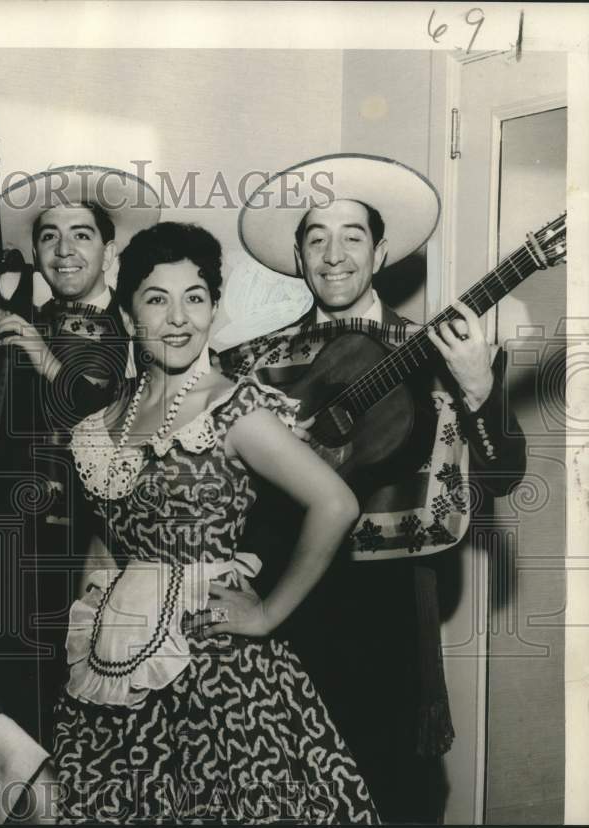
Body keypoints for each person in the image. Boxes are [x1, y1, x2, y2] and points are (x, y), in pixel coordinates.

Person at [222, 154, 527, 823]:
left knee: (397, 796)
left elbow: (505, 473)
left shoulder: (445, 351)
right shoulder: (247, 365)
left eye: (352, 236)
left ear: (382, 249)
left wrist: (480, 391)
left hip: (389, 620)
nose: (334, 256)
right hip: (281, 612)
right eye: (316, 238)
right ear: (298, 256)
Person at [54, 221, 379, 823]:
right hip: (119, 664)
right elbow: (105, 536)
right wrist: (94, 618)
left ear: (212, 309)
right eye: (157, 299)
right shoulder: (103, 425)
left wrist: (267, 613)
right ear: (129, 318)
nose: (179, 318)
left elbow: (336, 504)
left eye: (195, 298)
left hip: (219, 673)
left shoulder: (235, 408)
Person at [0, 165, 162, 746]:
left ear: (108, 248)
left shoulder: (135, 328)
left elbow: (103, 418)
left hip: (83, 548)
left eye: (82, 235)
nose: (64, 251)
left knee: (67, 719)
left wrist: (42, 357)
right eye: (48, 236)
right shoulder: (25, 321)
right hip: (6, 543)